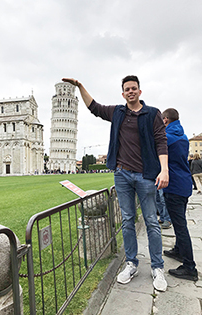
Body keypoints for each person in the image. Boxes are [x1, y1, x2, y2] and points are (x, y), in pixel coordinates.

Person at [62, 76, 169, 291]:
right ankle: (131, 263)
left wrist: (164, 169)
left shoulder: (152, 114)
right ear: (123, 94)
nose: (130, 92)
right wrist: (81, 86)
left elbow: (161, 141)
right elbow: (95, 108)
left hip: (146, 175)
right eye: (127, 89)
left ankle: (157, 267)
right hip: (122, 174)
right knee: (127, 220)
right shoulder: (118, 112)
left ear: (140, 91)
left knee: (151, 222)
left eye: (134, 88)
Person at [162, 108, 198, 281]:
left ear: (166, 120)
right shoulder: (183, 136)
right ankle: (178, 250)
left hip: (174, 186)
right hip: (184, 184)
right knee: (180, 221)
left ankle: (190, 267)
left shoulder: (167, 138)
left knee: (180, 227)